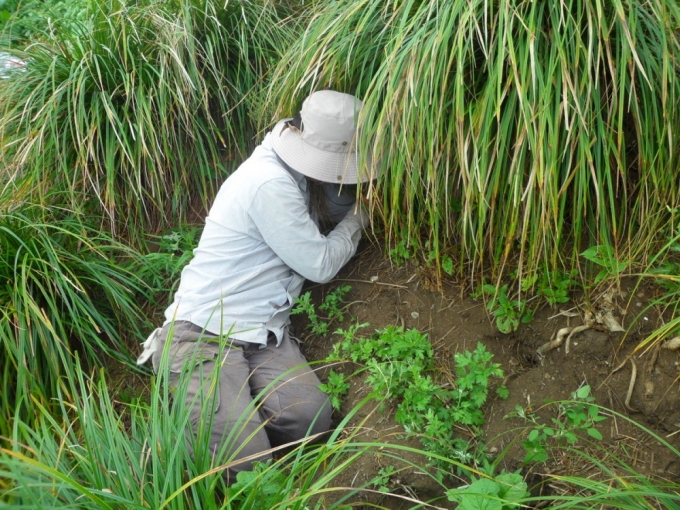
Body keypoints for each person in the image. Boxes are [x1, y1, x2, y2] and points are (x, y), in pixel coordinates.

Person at [137, 90, 371, 482]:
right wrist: (359, 219)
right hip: (201, 335)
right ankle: (203, 418)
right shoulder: (268, 183)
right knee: (245, 464)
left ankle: (236, 420)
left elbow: (333, 199)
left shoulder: (295, 170)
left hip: (262, 335)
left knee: (308, 422)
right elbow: (320, 264)